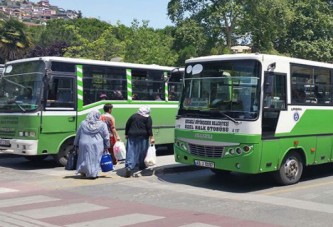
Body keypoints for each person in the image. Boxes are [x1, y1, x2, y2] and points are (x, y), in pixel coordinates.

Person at [74, 110, 110, 179]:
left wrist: (75, 143)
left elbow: (78, 134)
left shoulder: (83, 123)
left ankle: (83, 172)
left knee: (84, 158)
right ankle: (93, 173)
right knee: (95, 159)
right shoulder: (102, 124)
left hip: (83, 143)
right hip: (97, 144)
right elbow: (106, 136)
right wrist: (107, 145)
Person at [124, 105, 155, 177]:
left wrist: (126, 134)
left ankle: (129, 167)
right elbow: (149, 128)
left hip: (131, 135)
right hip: (143, 136)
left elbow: (127, 124)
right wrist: (151, 137)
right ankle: (142, 165)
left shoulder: (133, 116)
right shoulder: (147, 118)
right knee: (142, 151)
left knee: (131, 151)